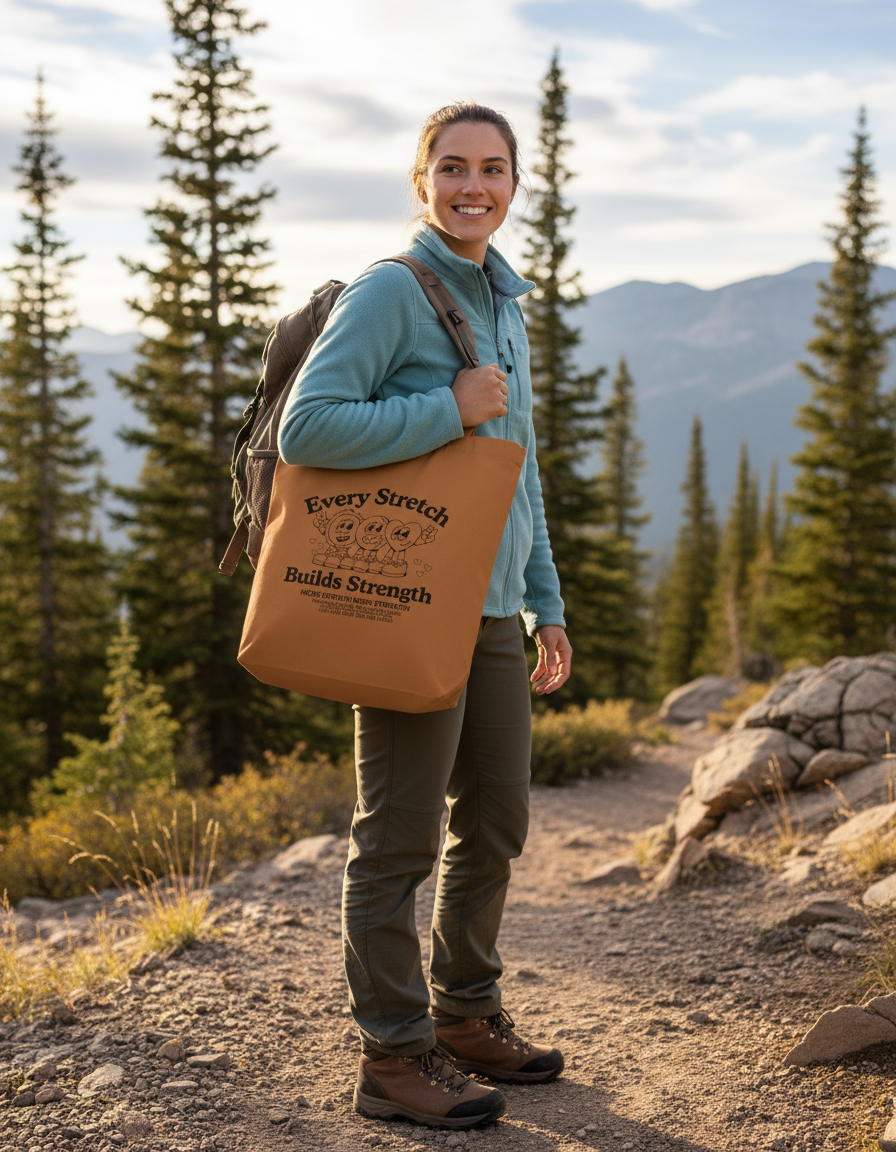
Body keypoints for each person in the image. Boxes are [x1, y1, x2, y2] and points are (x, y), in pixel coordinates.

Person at [278, 101, 573, 1131]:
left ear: (513, 185)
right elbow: (310, 427)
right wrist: (448, 407)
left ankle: (464, 1014)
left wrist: (544, 600)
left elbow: (515, 468)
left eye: (492, 170)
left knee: (495, 819)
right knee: (398, 841)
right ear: (420, 182)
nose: (472, 187)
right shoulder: (390, 291)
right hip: (403, 605)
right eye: (452, 168)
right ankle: (391, 1059)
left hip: (492, 609)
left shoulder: (501, 297)